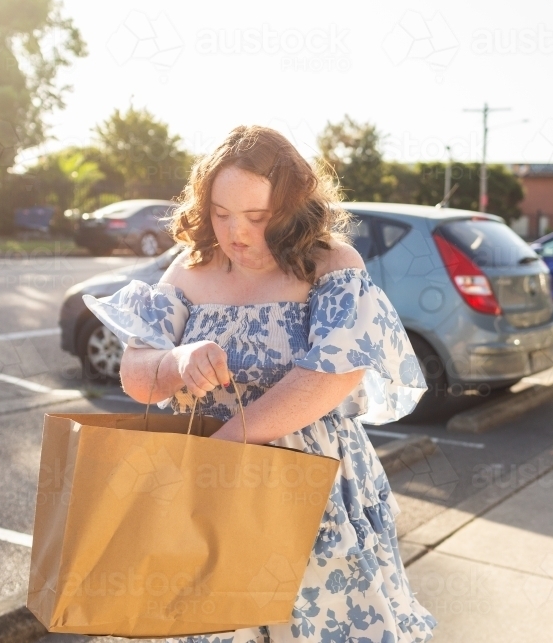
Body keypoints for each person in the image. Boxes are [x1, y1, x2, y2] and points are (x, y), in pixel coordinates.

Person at [83, 125, 438, 643]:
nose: (236, 233)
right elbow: (137, 376)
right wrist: (178, 361)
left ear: (293, 208)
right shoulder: (191, 267)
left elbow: (333, 374)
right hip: (207, 485)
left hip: (307, 486)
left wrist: (222, 451)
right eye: (221, 214)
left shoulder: (332, 264)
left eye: (256, 216)